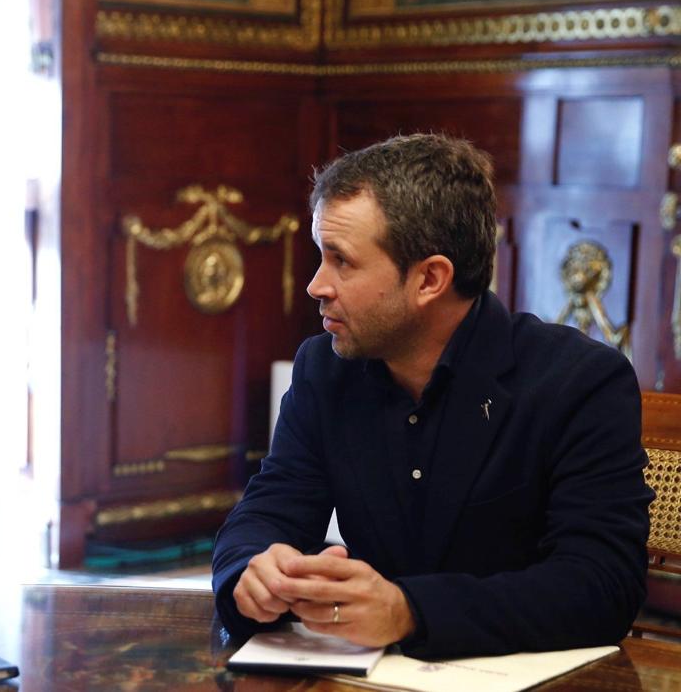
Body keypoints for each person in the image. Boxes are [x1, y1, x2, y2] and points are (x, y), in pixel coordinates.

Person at [212, 133, 652, 659]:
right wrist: (252, 570)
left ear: (429, 279)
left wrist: (409, 610)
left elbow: (601, 587)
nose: (316, 284)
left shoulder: (580, 382)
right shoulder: (324, 369)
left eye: (341, 261)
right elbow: (269, 510)